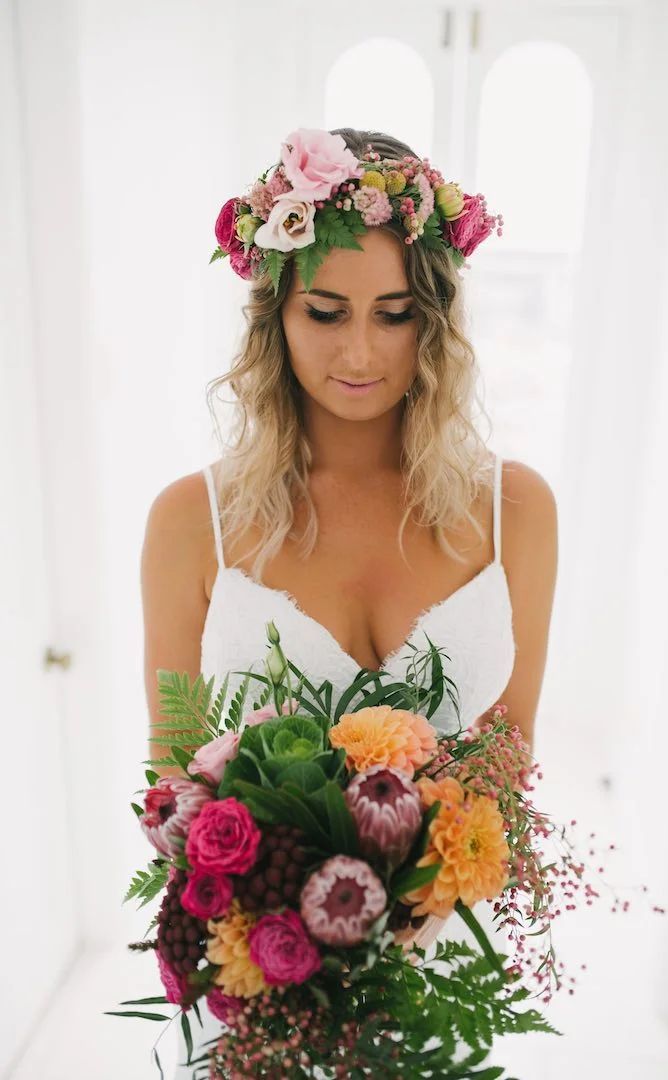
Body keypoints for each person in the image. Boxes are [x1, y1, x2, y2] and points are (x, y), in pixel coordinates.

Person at [141, 126, 558, 1077]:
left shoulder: (517, 510)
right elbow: (174, 782)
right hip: (262, 977)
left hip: (448, 965)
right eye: (325, 311)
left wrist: (417, 901)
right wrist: (286, 934)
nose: (361, 350)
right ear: (273, 317)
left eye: (396, 312)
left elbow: (514, 737)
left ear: (437, 319)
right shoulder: (188, 523)